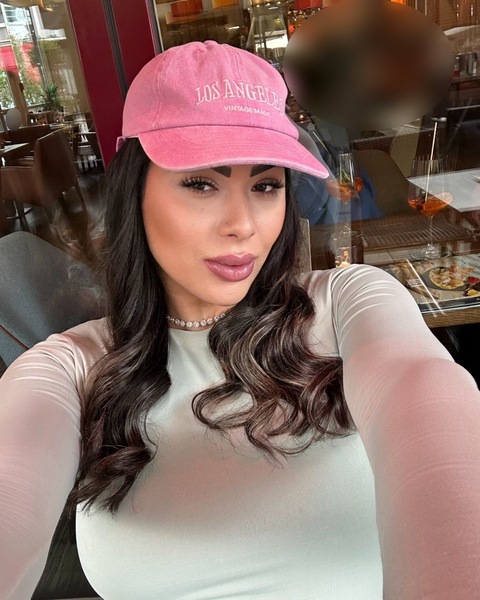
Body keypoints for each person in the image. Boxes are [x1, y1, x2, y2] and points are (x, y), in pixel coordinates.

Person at [1, 40, 480, 600]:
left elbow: (420, 388)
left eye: (265, 185)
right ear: (136, 192)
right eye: (201, 183)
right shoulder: (71, 367)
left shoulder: (348, 302)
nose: (243, 224)